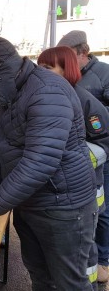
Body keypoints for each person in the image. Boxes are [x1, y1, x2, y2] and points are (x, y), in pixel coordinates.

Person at [0, 36, 97, 290]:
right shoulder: (7, 94)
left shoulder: (48, 91)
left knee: (70, 283)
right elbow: (2, 144)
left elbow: (40, 162)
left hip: (64, 208)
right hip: (30, 203)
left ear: (1, 72)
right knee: (39, 275)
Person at [38, 46, 109, 288]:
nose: (40, 73)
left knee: (85, 246)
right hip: (61, 194)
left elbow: (104, 143)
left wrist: (74, 160)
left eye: (47, 68)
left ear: (66, 70)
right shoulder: (45, 99)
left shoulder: (84, 101)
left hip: (86, 192)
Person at [58, 30, 109, 283]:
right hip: (79, 165)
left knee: (102, 212)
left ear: (83, 53)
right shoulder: (66, 84)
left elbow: (103, 126)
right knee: (86, 219)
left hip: (99, 158)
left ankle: (103, 263)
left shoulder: (104, 74)